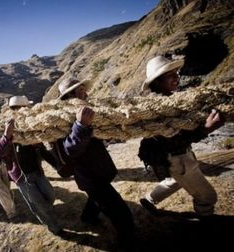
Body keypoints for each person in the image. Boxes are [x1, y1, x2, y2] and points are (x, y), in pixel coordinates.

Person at [138, 55, 225, 216]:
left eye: (176, 73)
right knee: (208, 197)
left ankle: (149, 200)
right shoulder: (158, 108)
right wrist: (205, 129)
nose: (176, 78)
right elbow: (171, 141)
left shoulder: (169, 101)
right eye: (170, 75)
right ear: (157, 81)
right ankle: (207, 222)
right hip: (177, 159)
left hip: (177, 158)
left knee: (175, 180)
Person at [57, 79, 135, 249]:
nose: (85, 94)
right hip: (91, 178)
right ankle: (127, 242)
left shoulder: (88, 113)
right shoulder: (61, 120)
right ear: (68, 97)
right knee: (122, 214)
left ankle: (88, 217)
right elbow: (70, 150)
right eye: (79, 92)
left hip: (100, 171)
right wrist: (79, 126)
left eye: (85, 91)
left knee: (97, 199)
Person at [0, 95, 62, 235]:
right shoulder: (4, 128)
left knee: (50, 196)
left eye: (25, 108)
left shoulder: (30, 127)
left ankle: (46, 212)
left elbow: (42, 149)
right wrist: (7, 135)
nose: (24, 110)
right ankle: (53, 227)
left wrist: (56, 165)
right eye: (21, 108)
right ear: (14, 110)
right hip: (21, 176)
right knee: (38, 204)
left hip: (37, 171)